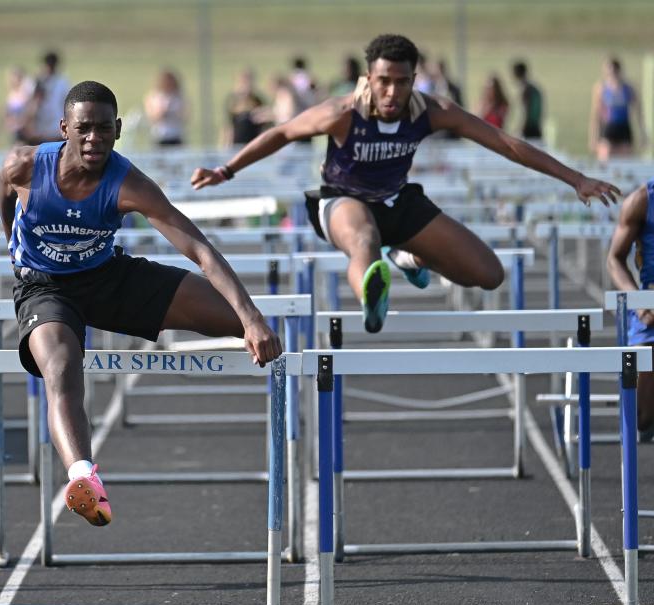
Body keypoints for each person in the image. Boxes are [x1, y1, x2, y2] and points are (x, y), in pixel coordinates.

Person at [191, 34, 619, 334]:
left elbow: (504, 143)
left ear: (414, 79)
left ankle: (408, 258)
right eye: (383, 81)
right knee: (363, 238)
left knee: (487, 274)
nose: (392, 92)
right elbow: (283, 132)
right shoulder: (342, 112)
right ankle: (372, 298)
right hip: (341, 201)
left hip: (399, 202)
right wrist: (226, 171)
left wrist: (575, 179)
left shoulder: (431, 110)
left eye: (401, 81)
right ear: (369, 79)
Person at [0, 80, 281, 526]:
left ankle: (280, 377)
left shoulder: (129, 183)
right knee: (61, 365)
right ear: (64, 128)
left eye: (104, 130)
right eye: (84, 129)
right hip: (45, 287)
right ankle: (83, 476)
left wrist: (252, 319)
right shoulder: (26, 166)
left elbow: (200, 249)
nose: (95, 140)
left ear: (119, 129)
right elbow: (5, 195)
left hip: (107, 276)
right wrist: (14, 250)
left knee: (244, 323)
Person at [606, 180, 654, 440]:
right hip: (651, 313)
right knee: (640, 418)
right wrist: (638, 302)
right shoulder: (642, 201)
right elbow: (614, 258)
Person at [590, 57, 646, 161]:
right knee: (605, 158)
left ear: (619, 71)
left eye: (613, 71)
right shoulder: (601, 88)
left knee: (625, 160)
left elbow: (639, 113)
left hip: (624, 128)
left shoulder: (629, 88)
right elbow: (596, 115)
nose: (611, 74)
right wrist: (593, 138)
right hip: (608, 127)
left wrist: (643, 134)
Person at [28, 51, 71, 144]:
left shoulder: (62, 81)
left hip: (56, 126)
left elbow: (66, 102)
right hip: (40, 126)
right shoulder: (37, 81)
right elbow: (31, 103)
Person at [143, 68, 188, 146]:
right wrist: (162, 113)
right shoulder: (154, 97)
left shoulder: (179, 97)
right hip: (160, 136)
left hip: (175, 136)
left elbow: (186, 116)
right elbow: (151, 117)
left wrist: (176, 114)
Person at [224, 68, 268, 146]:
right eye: (243, 82)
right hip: (236, 144)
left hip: (253, 143)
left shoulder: (257, 101)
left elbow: (263, 127)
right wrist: (226, 144)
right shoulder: (233, 101)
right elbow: (229, 126)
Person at [511, 60, 543, 140]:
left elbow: (526, 112)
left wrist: (520, 130)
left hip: (528, 130)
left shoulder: (525, 90)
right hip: (536, 127)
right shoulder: (534, 88)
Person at [5, 66, 36, 144]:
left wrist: (24, 122)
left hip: (25, 129)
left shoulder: (26, 94)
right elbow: (8, 112)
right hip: (16, 129)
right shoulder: (12, 94)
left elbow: (31, 110)